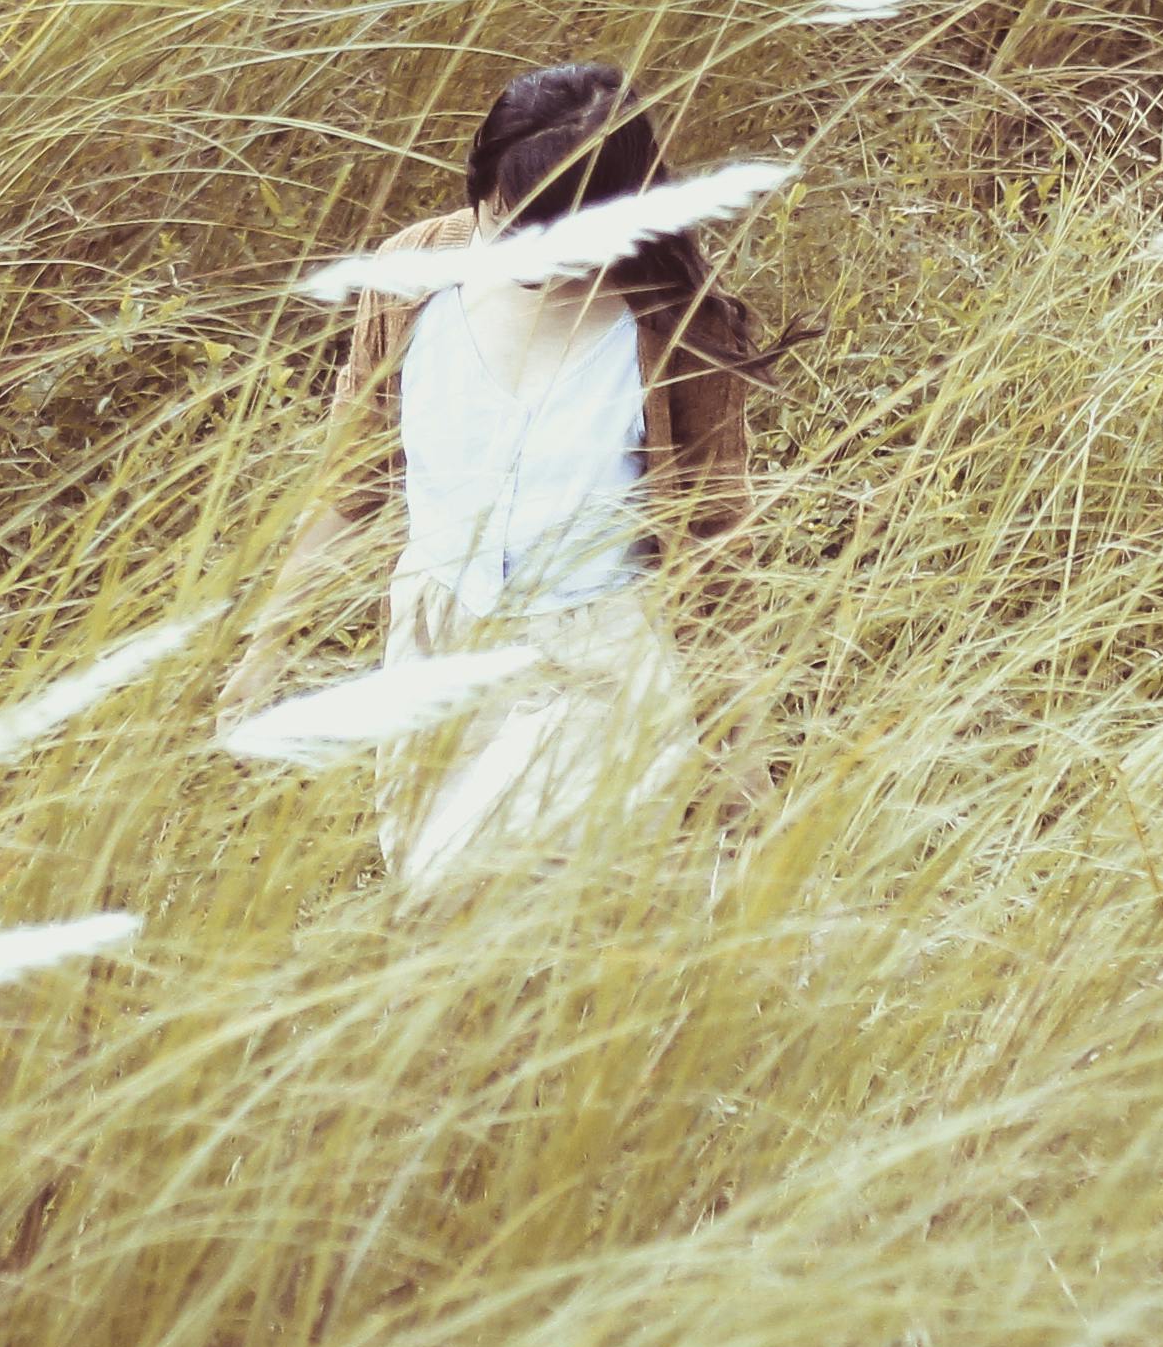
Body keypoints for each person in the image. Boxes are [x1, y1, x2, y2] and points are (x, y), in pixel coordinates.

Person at [225, 61, 774, 888]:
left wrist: (743, 750)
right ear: (479, 188)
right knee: (440, 923)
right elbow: (352, 484)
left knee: (538, 919)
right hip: (437, 637)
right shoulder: (411, 280)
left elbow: (715, 546)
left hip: (597, 655)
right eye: (512, 226)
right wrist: (267, 646)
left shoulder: (673, 328)